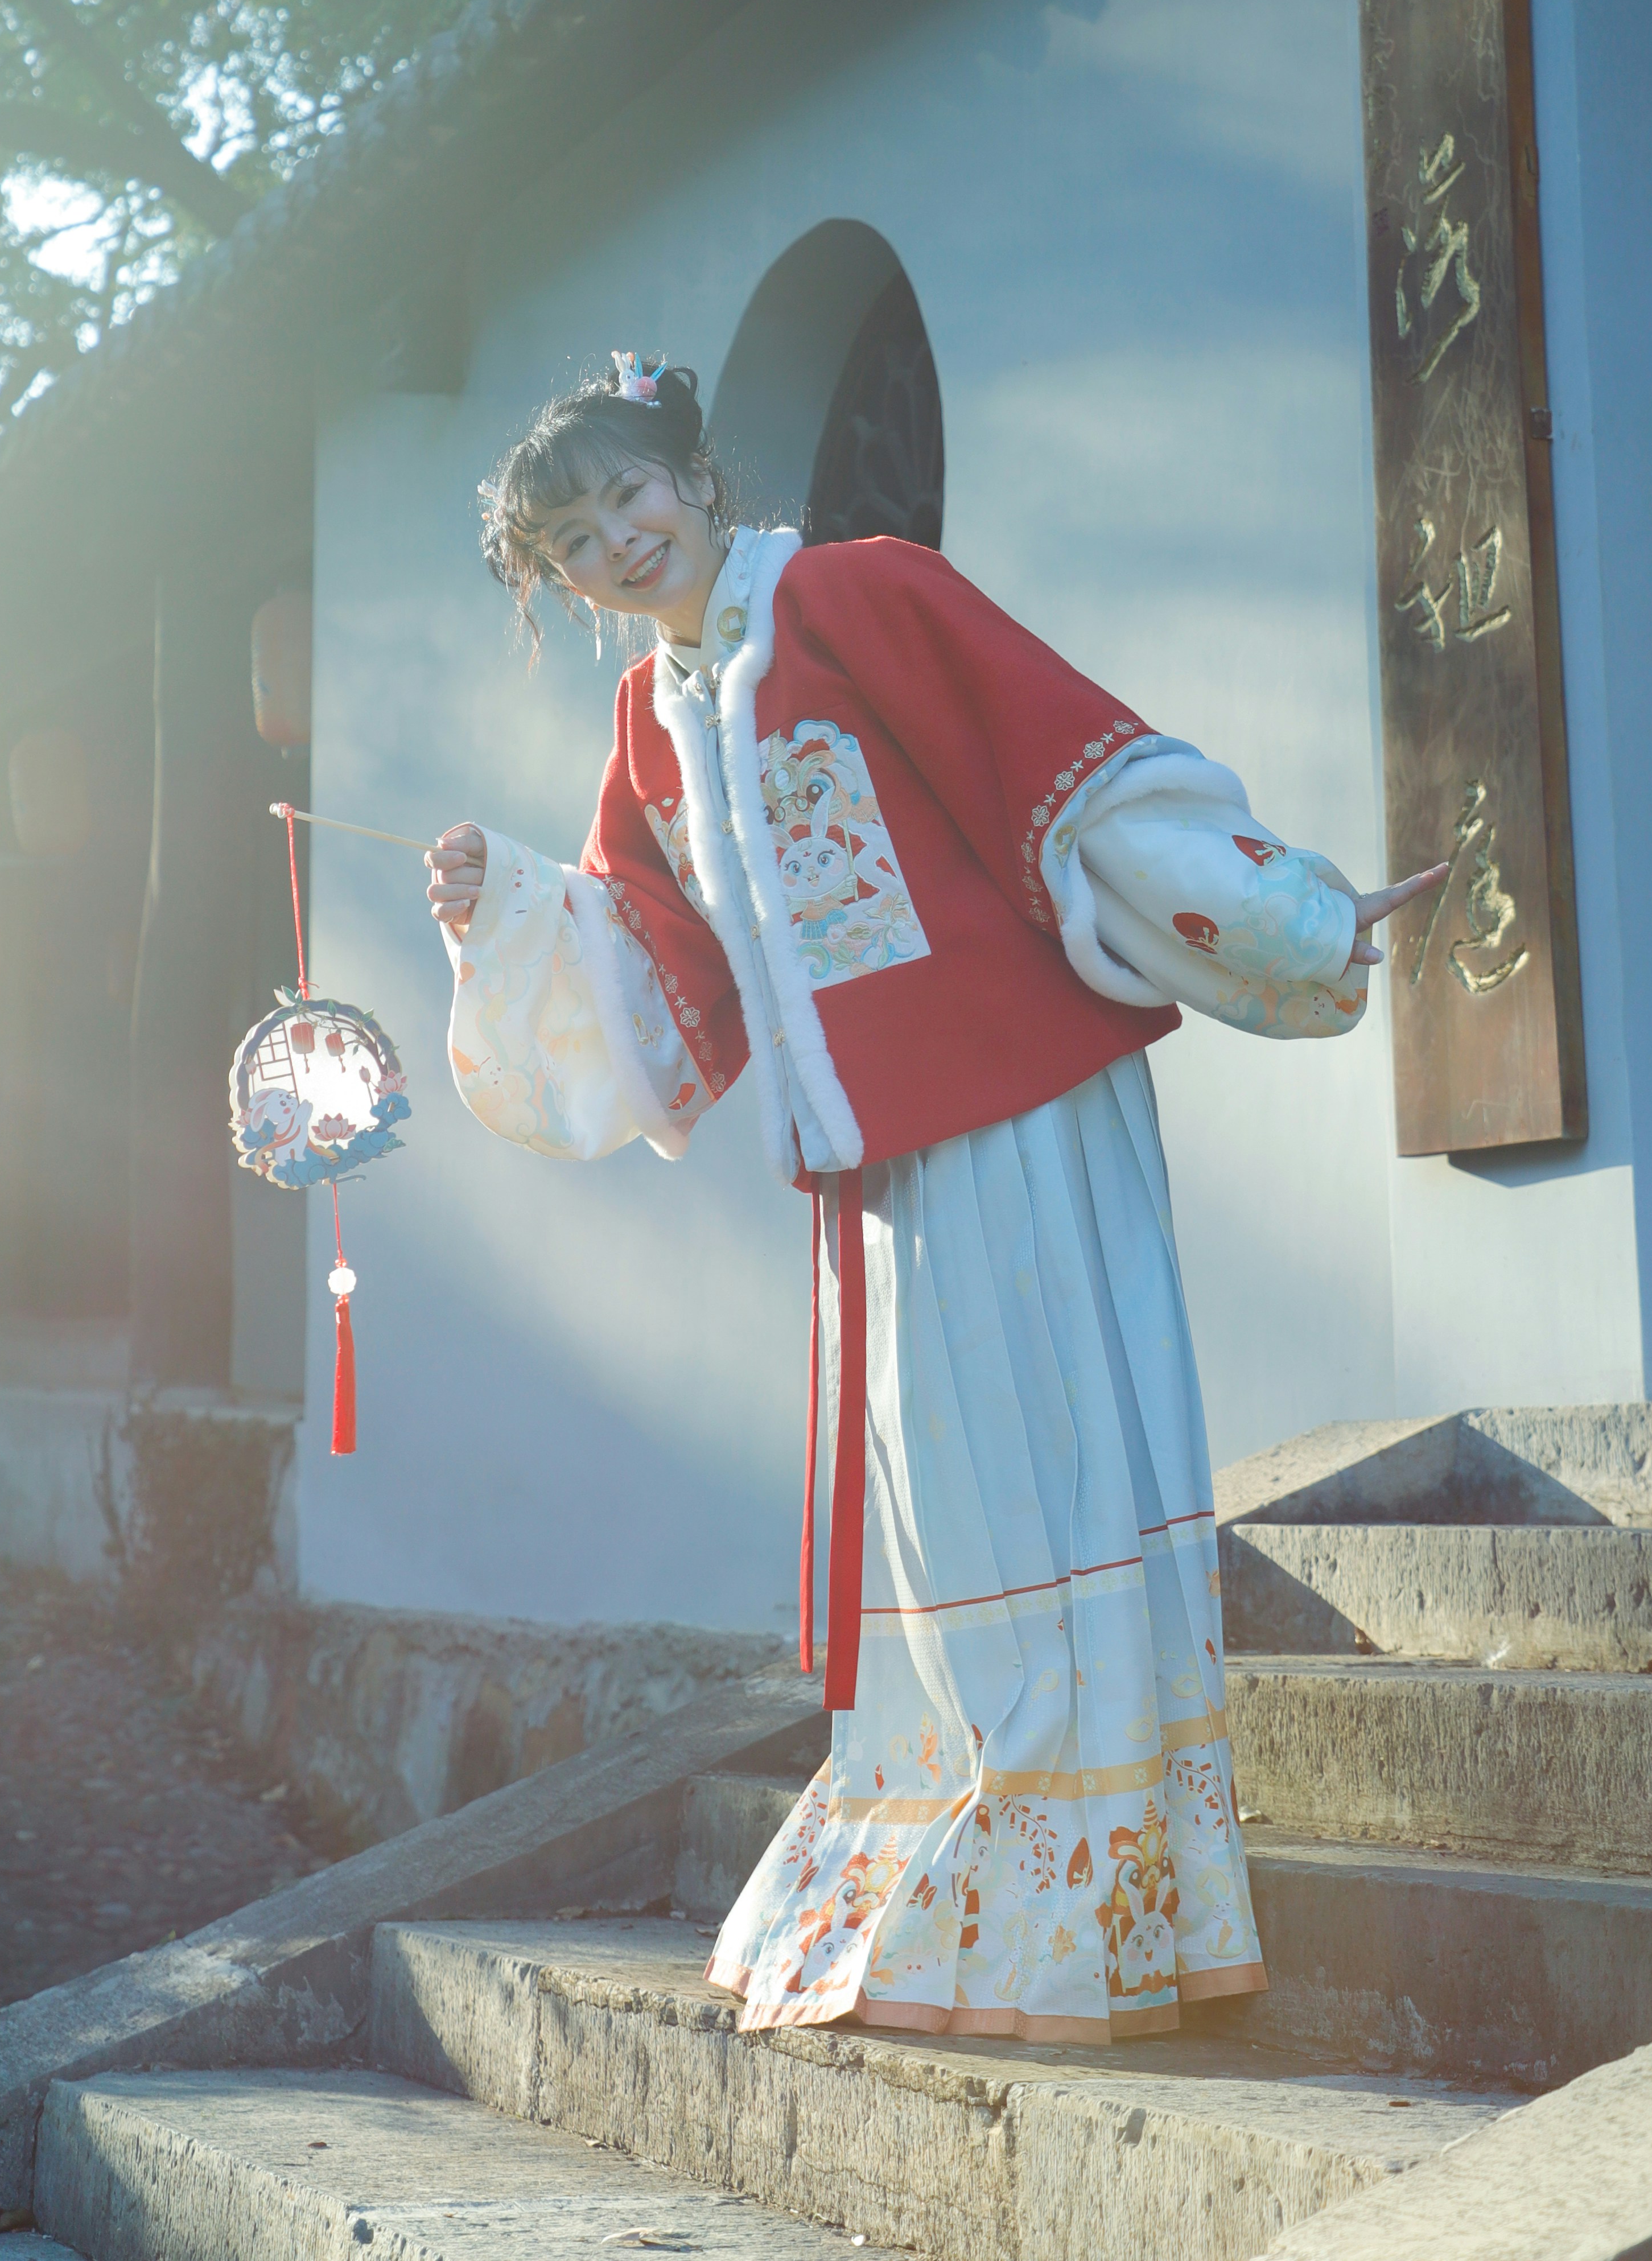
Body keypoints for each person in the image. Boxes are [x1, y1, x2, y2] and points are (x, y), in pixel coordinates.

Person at [424, 352, 1442, 2053]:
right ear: (556, 581)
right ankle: (1007, 1860)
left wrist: (1290, 914)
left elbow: (1065, 767)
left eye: (632, 495)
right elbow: (655, 966)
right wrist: (494, 907)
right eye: (575, 536)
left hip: (1022, 1100)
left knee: (1045, 1468)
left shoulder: (853, 596)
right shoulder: (654, 723)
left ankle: (1084, 1888)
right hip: (879, 1168)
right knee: (956, 1505)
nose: (619, 538)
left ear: (693, 476)